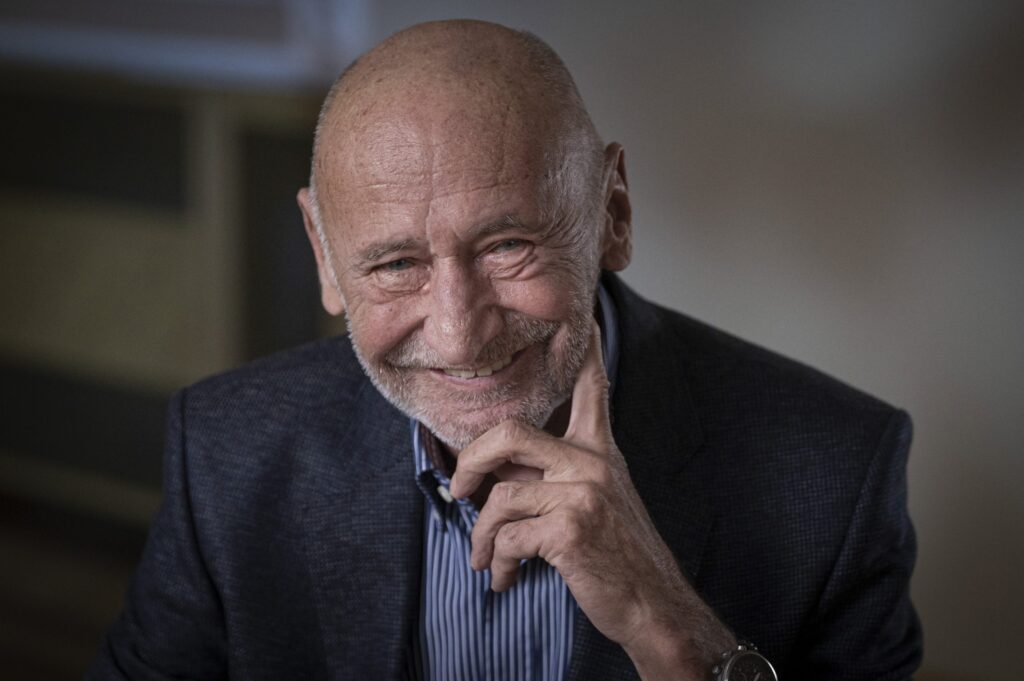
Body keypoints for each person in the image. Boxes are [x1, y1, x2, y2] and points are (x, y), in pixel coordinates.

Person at [89, 19, 922, 681]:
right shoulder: (226, 447)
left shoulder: (837, 472)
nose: (459, 333)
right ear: (324, 255)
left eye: (508, 245)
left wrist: (672, 630)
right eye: (395, 264)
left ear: (613, 212)